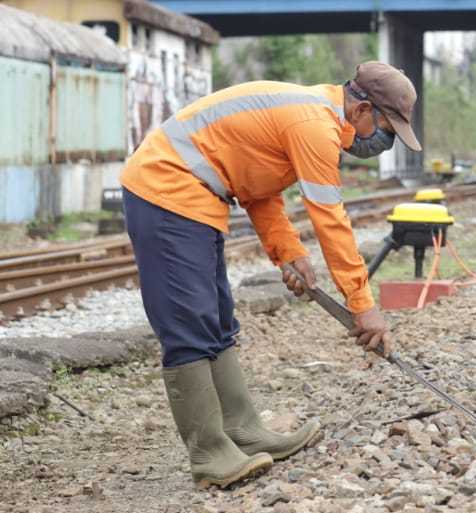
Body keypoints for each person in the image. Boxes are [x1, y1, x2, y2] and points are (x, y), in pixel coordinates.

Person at [119, 62, 423, 486]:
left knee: (218, 317)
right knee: (189, 320)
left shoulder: (312, 113)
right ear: (362, 110)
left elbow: (259, 187)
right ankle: (209, 454)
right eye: (386, 127)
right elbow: (331, 221)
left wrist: (288, 252)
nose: (384, 141)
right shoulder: (315, 124)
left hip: (196, 198)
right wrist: (363, 305)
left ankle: (243, 431)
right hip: (166, 190)